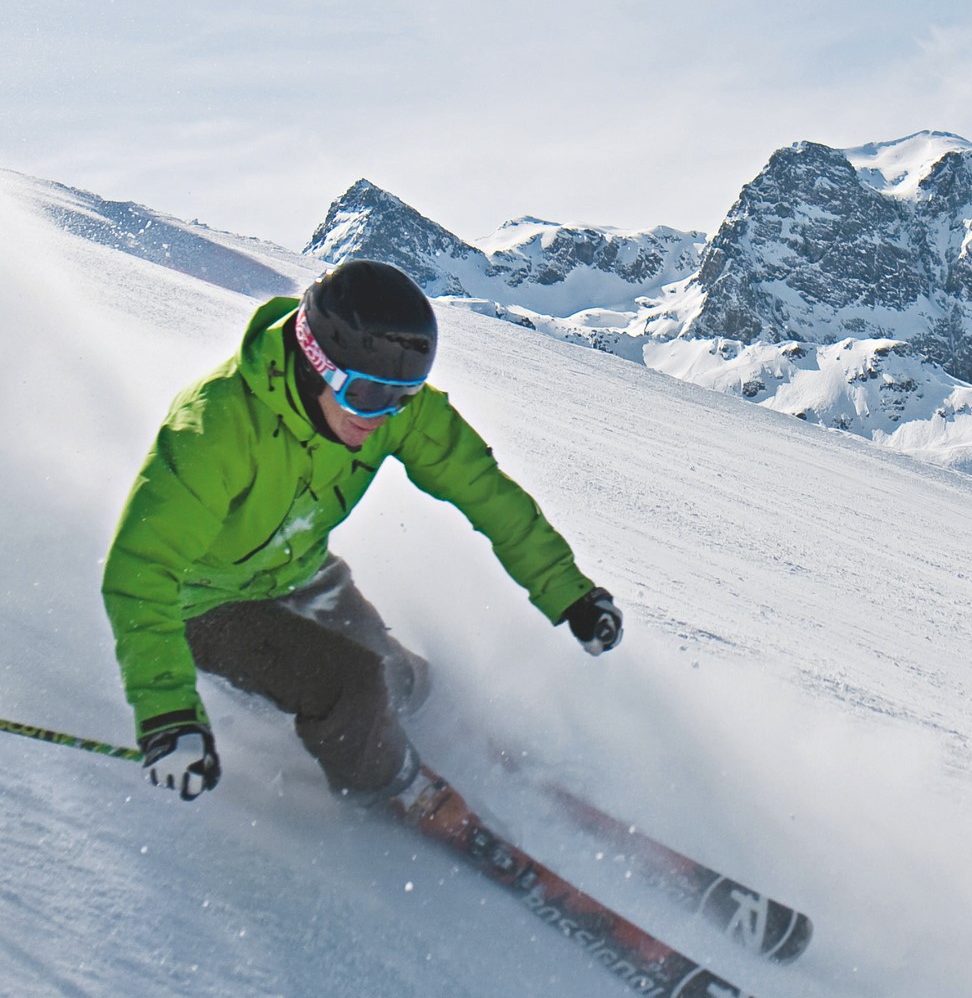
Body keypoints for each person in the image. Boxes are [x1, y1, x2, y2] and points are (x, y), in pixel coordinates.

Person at [100, 259, 623, 804]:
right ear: (316, 363)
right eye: (368, 395)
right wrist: (168, 718)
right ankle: (392, 786)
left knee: (392, 672)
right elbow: (140, 573)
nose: (381, 415)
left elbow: (486, 492)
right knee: (352, 686)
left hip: (297, 569)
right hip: (200, 602)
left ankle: (441, 733)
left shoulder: (388, 408)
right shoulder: (217, 429)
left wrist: (572, 595)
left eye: (405, 395)